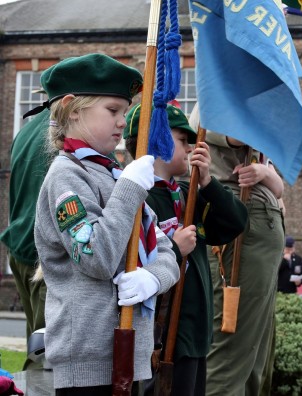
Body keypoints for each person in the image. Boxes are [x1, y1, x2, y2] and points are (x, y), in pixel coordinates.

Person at [33, 53, 180, 393]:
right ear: (72, 108)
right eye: (112, 111)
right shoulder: (68, 176)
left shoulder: (112, 174)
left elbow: (166, 249)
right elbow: (96, 257)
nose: (121, 122)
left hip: (133, 352)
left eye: (124, 112)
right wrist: (129, 189)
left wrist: (152, 279)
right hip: (89, 360)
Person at [124, 103, 248, 395]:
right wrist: (173, 248)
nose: (191, 147)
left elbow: (235, 223)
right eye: (182, 140)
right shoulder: (137, 197)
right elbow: (131, 265)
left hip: (194, 332)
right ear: (159, 140)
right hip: (161, 337)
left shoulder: (186, 194)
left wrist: (207, 182)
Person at [193, 110, 284, 396]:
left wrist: (265, 172)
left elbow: (279, 188)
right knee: (231, 345)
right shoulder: (222, 98)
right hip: (239, 224)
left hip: (258, 223)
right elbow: (240, 131)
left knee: (256, 351)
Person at [0, 109, 52, 370]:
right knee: (46, 360)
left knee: (37, 345)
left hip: (21, 248)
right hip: (45, 257)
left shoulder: (27, 130)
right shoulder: (63, 135)